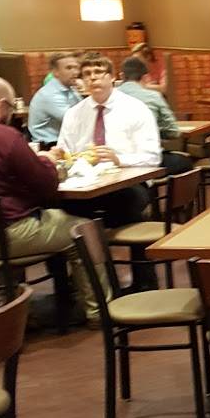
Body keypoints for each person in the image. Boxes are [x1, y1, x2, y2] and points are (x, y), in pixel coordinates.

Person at [0, 76, 97, 319]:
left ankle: (10, 310)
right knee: (83, 229)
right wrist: (47, 161)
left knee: (18, 217)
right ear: (1, 104)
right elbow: (46, 185)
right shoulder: (5, 137)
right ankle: (98, 312)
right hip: (0, 236)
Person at [56, 53, 161, 291]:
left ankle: (143, 282)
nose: (93, 78)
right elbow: (65, 151)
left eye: (98, 72)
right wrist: (67, 157)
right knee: (57, 210)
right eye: (87, 74)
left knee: (129, 204)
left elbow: (153, 156)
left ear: (112, 77)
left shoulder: (134, 108)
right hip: (85, 187)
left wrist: (118, 158)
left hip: (127, 184)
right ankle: (77, 288)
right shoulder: (74, 113)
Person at [119, 56, 189, 174]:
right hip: (147, 159)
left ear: (121, 76)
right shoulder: (153, 97)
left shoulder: (109, 97)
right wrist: (154, 131)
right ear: (145, 77)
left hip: (116, 159)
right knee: (184, 163)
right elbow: (173, 132)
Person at [27, 51, 82, 146]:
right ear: (55, 72)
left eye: (76, 68)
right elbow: (74, 121)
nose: (75, 72)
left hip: (66, 142)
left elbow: (85, 110)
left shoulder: (71, 89)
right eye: (69, 68)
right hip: (49, 145)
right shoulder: (49, 94)